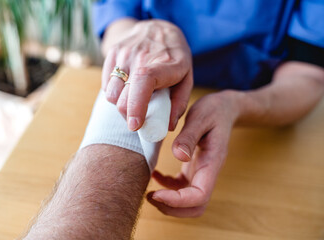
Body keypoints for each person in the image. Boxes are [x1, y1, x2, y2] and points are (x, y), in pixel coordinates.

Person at [23, 0, 324, 239]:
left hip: (258, 100)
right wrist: (143, 37)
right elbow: (116, 17)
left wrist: (235, 106)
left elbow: (308, 75)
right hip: (149, 70)